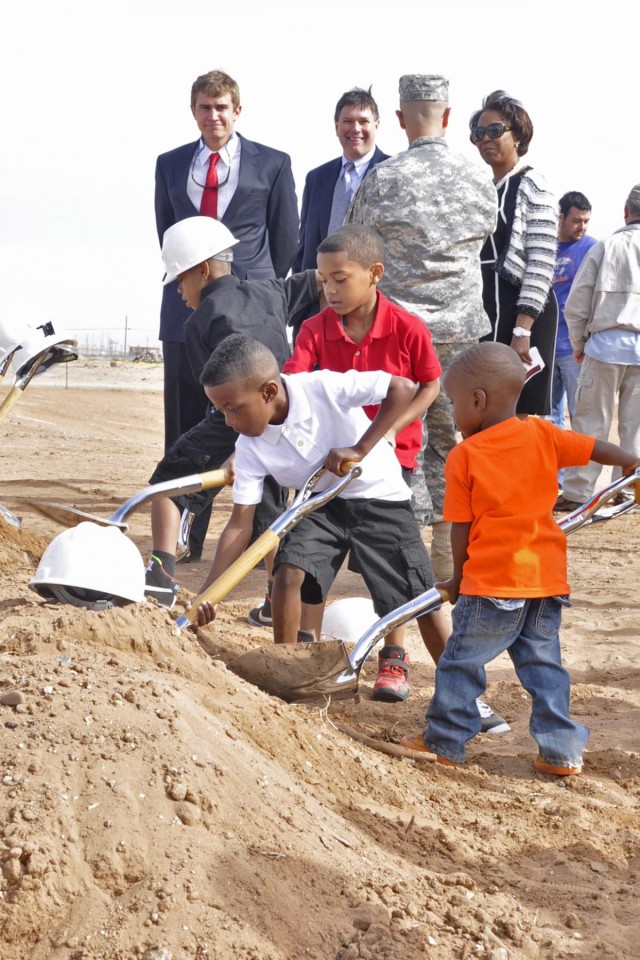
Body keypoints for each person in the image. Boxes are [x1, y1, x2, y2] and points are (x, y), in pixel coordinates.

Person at [192, 335, 508, 736]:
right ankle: (288, 675)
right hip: (320, 504)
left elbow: (402, 387)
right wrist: (208, 592)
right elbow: (240, 524)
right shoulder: (250, 447)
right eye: (222, 410)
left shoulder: (322, 387)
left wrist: (360, 447)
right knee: (289, 571)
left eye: (232, 409)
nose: (227, 420)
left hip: (378, 497)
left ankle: (468, 698)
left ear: (269, 391)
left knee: (419, 599)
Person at [399, 342, 640, 774]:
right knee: (545, 669)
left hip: (491, 585)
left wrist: (456, 580)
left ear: (478, 400)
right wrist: (631, 464)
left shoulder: (465, 456)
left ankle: (445, 741)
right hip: (546, 584)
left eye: (454, 404)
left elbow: (461, 527)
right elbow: (594, 448)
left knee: (461, 663)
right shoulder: (543, 433)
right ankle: (561, 751)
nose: (453, 414)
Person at [347, 74, 497, 582]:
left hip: (401, 338)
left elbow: (354, 242)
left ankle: (405, 565)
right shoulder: (478, 176)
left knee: (397, 444)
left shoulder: (385, 178)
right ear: (449, 117)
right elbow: (486, 233)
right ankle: (451, 562)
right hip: (460, 340)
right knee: (454, 445)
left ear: (399, 120)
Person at [284, 223, 441, 702]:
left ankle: (394, 659)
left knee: (389, 567)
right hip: (329, 468)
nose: (329, 290)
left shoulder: (407, 327)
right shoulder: (313, 330)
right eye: (323, 281)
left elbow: (428, 385)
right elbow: (294, 385)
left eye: (340, 279)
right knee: (305, 560)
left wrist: (390, 431)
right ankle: (301, 651)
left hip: (392, 465)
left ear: (375, 274)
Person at [155, 69, 299, 561]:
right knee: (188, 422)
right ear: (193, 111)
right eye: (204, 107)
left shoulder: (273, 164)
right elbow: (170, 238)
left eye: (222, 107)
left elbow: (285, 241)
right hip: (188, 310)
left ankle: (267, 540)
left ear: (237, 110)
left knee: (259, 420)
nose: (213, 116)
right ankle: (186, 537)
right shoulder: (170, 165)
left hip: (251, 302)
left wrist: (255, 296)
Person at [144, 217, 320, 608]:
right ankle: (276, 600)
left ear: (202, 271)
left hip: (234, 420)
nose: (178, 290)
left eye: (179, 280)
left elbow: (216, 395)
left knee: (168, 484)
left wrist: (231, 448)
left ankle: (162, 573)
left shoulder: (198, 323)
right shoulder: (271, 290)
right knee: (270, 514)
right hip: (281, 416)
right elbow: (319, 279)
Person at [469, 90, 558, 417]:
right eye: (478, 133)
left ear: (518, 135)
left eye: (495, 130)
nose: (485, 139)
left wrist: (522, 331)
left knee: (521, 415)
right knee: (488, 411)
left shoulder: (534, 184)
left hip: (522, 314)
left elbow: (541, 264)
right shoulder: (484, 189)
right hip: (488, 313)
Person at [554, 183, 640, 511]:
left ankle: (578, 493)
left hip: (605, 346)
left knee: (591, 423)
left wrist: (579, 343)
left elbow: (576, 305)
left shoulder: (607, 246)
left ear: (626, 212)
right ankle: (630, 491)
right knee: (636, 426)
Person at [291, 87, 389, 341]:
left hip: (372, 305)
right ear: (336, 127)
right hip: (322, 303)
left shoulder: (392, 173)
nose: (355, 128)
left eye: (363, 121)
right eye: (347, 121)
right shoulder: (317, 178)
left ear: (377, 125)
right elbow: (305, 245)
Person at [551, 192, 597, 430]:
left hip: (576, 348)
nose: (582, 226)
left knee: (580, 415)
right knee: (548, 417)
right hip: (546, 347)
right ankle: (553, 469)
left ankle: (578, 468)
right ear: (561, 218)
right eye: (577, 220)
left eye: (586, 221)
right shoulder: (544, 247)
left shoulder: (593, 249)